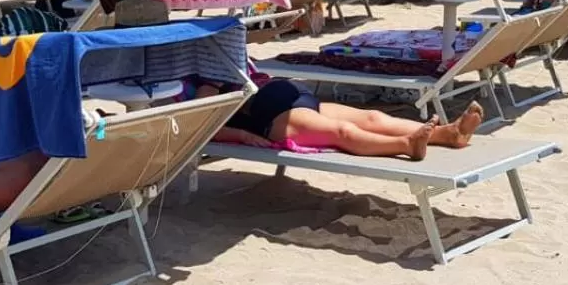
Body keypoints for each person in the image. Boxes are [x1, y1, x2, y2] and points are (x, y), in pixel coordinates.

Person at [195, 78, 482, 161]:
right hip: (273, 118)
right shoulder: (202, 87)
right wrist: (243, 137)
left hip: (299, 98)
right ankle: (406, 145)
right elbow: (207, 128)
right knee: (341, 131)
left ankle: (447, 134)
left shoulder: (230, 64)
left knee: (371, 117)